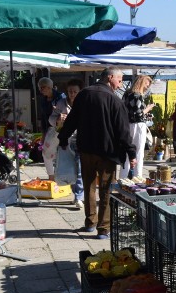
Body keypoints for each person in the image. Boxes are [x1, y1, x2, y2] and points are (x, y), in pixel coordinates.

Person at [58, 67, 136, 240]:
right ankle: (103, 228)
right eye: (120, 79)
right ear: (110, 78)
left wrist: (63, 138)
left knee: (89, 187)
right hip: (107, 152)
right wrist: (131, 153)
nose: (121, 83)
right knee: (106, 190)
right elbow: (123, 132)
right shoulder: (115, 100)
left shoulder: (84, 94)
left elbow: (71, 120)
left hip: (86, 149)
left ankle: (90, 222)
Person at [49, 79, 84, 209]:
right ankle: (76, 192)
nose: (72, 94)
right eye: (70, 91)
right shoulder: (61, 103)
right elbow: (51, 119)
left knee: (80, 169)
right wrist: (58, 119)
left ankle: (78, 197)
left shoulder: (83, 102)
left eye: (75, 91)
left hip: (80, 138)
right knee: (70, 169)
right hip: (65, 139)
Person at [120, 75, 155, 179]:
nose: (147, 87)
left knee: (126, 153)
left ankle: (123, 178)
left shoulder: (127, 94)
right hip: (138, 126)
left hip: (127, 125)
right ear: (141, 83)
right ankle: (137, 177)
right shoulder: (138, 95)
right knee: (138, 152)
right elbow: (138, 114)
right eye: (146, 85)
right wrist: (148, 108)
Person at [38, 77, 66, 182]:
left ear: (49, 87)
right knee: (46, 153)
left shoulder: (61, 97)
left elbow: (66, 110)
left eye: (43, 87)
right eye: (40, 88)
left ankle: (56, 177)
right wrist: (43, 134)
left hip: (61, 128)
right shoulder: (43, 99)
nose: (41, 90)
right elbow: (44, 118)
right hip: (50, 129)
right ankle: (52, 176)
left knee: (58, 154)